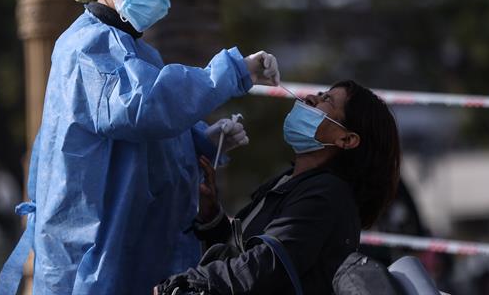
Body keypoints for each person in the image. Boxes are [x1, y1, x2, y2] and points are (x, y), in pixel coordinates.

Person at [0, 0, 280, 294]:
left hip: (137, 262)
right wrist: (231, 72)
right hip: (95, 269)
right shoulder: (86, 48)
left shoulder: (138, 52)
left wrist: (199, 141)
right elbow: (141, 108)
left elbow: (142, 139)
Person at [155, 80, 402, 295]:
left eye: (326, 100)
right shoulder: (290, 181)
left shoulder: (327, 195)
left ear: (346, 139)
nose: (310, 98)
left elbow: (267, 265)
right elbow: (244, 255)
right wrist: (212, 217)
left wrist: (190, 280)